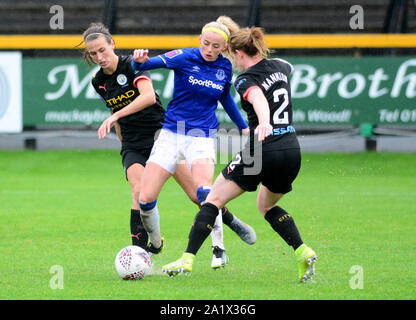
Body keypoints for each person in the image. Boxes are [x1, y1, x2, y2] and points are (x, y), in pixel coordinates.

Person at [162, 26, 317, 283]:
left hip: (263, 148)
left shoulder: (244, 79)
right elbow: (287, 66)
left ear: (236, 53)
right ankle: (303, 250)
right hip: (291, 149)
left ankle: (187, 258)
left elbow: (257, 98)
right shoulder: (280, 66)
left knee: (212, 200)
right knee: (266, 206)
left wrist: (265, 122)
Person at [131, 16, 256, 269]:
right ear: (200, 39)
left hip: (202, 136)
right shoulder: (184, 57)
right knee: (145, 199)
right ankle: (156, 243)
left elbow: (226, 100)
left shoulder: (224, 67)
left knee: (205, 192)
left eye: (216, 47)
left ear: (224, 48)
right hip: (171, 133)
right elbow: (144, 65)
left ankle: (218, 249)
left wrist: (244, 127)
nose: (209, 50)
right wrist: (139, 60)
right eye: (206, 44)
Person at [82, 22, 202, 253]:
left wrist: (116, 115)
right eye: (93, 53)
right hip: (132, 144)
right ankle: (141, 253)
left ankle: (225, 223)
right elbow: (113, 114)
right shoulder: (98, 82)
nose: (99, 57)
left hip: (161, 137)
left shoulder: (132, 65)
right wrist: (123, 143)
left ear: (112, 44)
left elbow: (147, 97)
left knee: (196, 195)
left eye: (102, 50)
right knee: (138, 191)